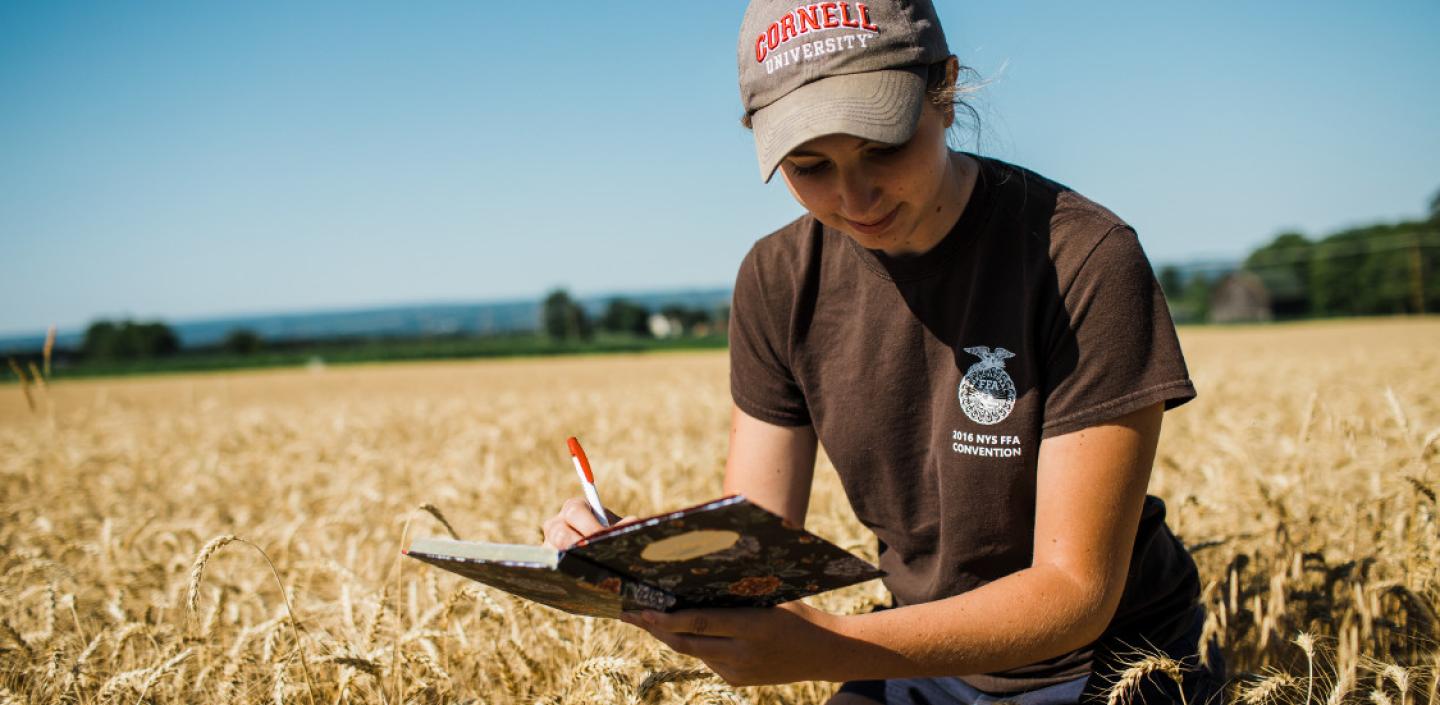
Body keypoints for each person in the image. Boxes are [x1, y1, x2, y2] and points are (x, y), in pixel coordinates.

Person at [542, 1, 1227, 703]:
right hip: (915, 654)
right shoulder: (778, 280)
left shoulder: (1084, 259)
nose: (854, 196)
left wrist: (828, 645)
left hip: (1107, 664)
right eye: (809, 165)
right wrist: (640, 555)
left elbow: (1073, 592)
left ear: (947, 90)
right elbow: (757, 539)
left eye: (883, 147)